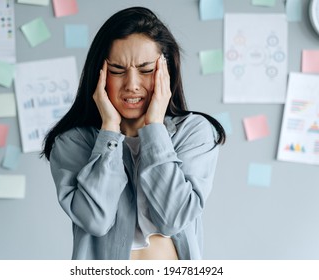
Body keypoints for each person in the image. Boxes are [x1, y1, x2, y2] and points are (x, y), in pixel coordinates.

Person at [42, 6, 225, 260]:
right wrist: (108, 131)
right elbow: (96, 220)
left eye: (146, 69)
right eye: (117, 70)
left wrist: (154, 129)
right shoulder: (73, 142)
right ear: (99, 74)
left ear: (165, 70)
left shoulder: (194, 132)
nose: (132, 85)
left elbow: (173, 218)